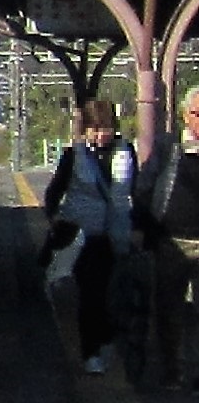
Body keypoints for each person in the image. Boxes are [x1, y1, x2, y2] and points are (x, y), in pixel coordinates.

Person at [46, 99, 134, 374]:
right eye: (94, 128)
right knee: (91, 294)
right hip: (83, 236)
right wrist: (56, 221)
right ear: (85, 130)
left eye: (105, 127)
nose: (100, 134)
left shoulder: (125, 152)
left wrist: (139, 226)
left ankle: (104, 337)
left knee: (112, 293)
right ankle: (91, 351)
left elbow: (137, 191)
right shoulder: (74, 156)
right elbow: (54, 192)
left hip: (115, 235)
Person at [136, 84, 199, 390]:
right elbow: (145, 184)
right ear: (186, 115)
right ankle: (173, 370)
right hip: (171, 238)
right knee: (169, 308)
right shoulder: (168, 146)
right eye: (197, 113)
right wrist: (147, 225)